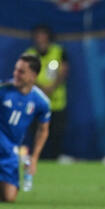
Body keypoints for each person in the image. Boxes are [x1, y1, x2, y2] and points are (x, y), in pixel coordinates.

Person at [0, 54, 50, 202]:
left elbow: (43, 129)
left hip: (9, 154)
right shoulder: (0, 90)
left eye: (21, 72)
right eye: (16, 70)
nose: (16, 74)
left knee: (8, 198)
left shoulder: (41, 101)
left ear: (33, 76)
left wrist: (34, 158)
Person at [26, 25, 68, 160]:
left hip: (56, 102)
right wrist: (42, 89)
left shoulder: (58, 51)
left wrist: (52, 87)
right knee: (37, 134)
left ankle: (56, 159)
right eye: (38, 37)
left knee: (56, 135)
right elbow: (26, 74)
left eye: (43, 36)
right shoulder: (30, 54)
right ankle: (37, 159)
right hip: (37, 102)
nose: (40, 40)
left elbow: (64, 70)